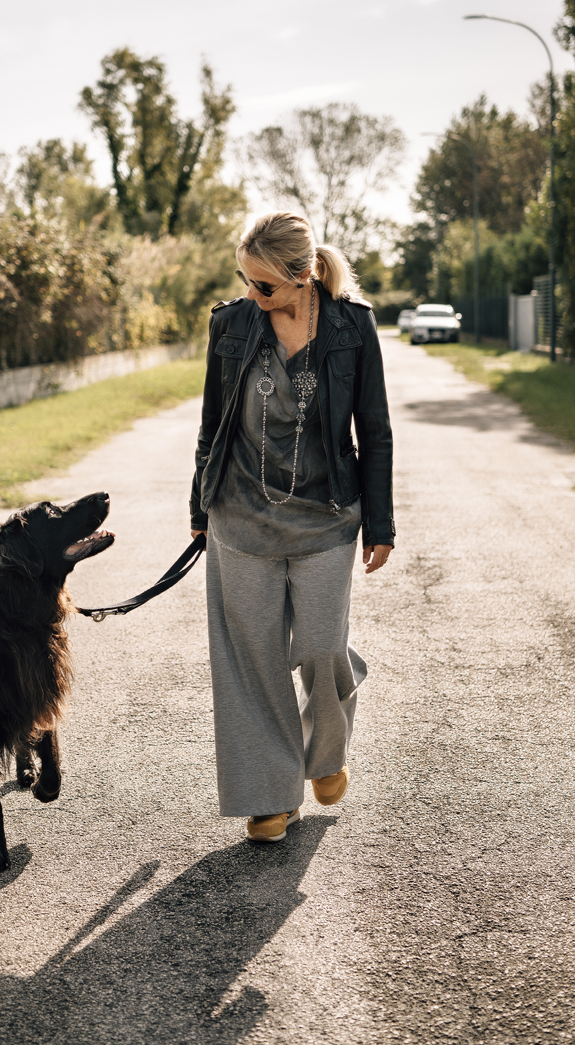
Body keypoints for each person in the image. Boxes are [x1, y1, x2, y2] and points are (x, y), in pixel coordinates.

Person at [190, 211, 394, 842]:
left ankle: (326, 752)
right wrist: (200, 511)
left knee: (322, 646)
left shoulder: (351, 328)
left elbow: (375, 430)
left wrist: (380, 524)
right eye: (245, 281)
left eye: (266, 287)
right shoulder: (231, 324)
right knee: (252, 661)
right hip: (240, 518)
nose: (254, 296)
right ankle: (269, 797)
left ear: (304, 277)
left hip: (326, 517)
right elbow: (211, 427)